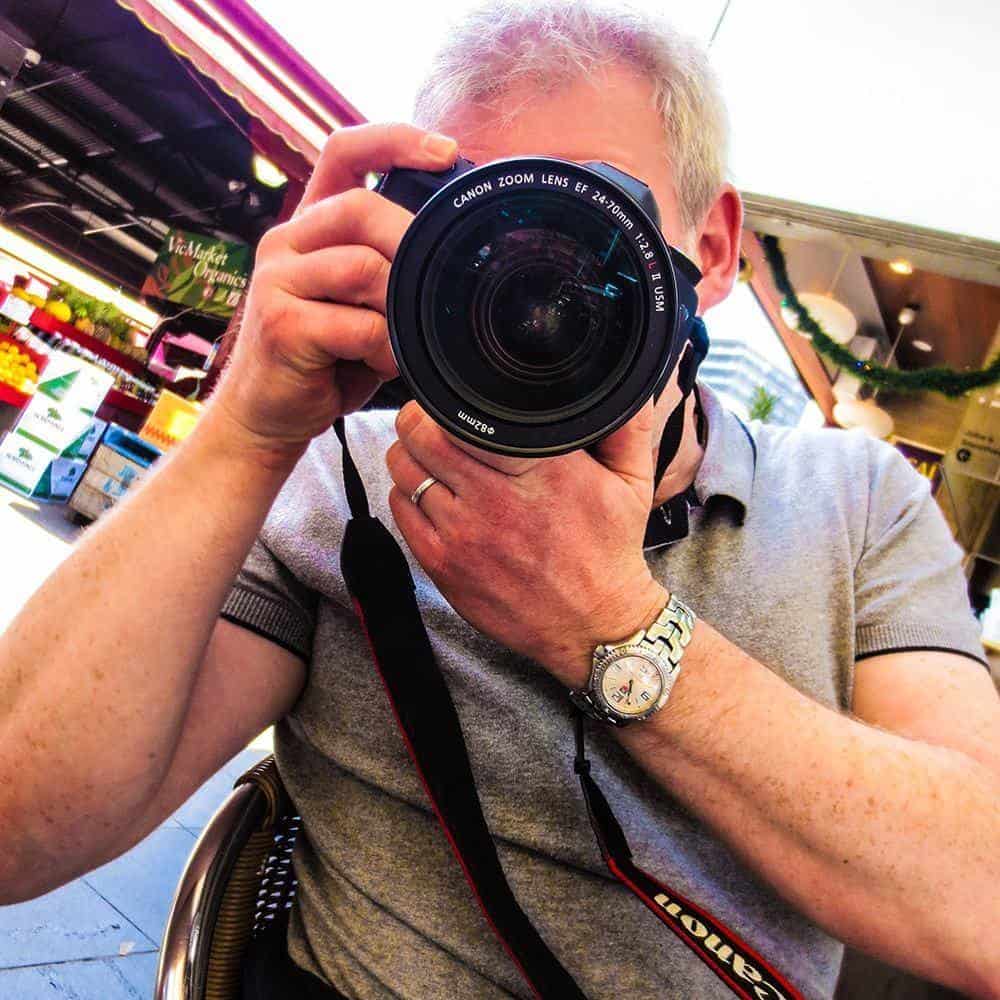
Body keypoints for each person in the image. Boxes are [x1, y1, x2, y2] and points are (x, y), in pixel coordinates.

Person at [2, 3, 999, 998]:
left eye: (592, 222)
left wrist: (609, 624)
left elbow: (981, 906)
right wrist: (244, 434)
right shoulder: (338, 470)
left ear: (713, 247)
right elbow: (17, 823)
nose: (534, 270)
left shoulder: (854, 496)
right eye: (473, 218)